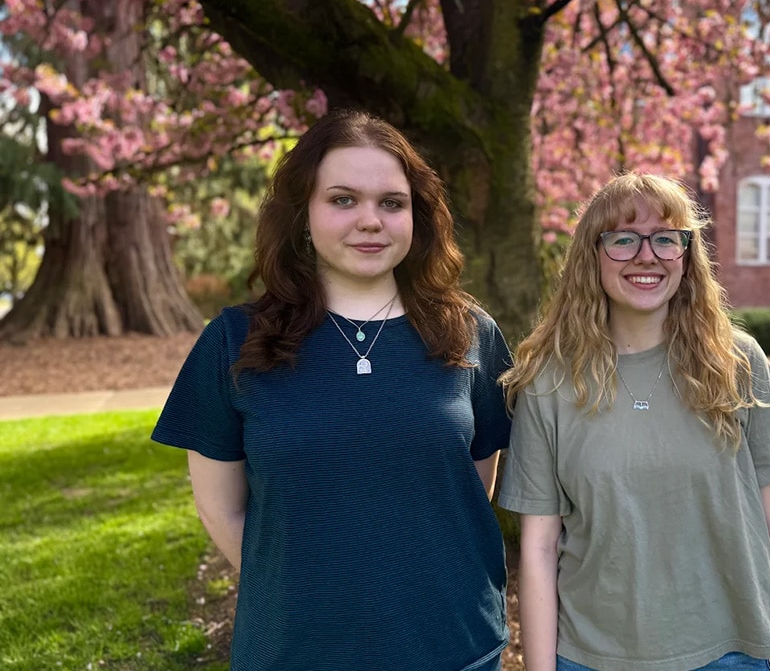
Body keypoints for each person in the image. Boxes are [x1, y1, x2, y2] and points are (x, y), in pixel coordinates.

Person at [152, 108, 513, 671]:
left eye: (392, 203)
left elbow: (473, 483)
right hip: (297, 648)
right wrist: (309, 592)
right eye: (342, 199)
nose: (370, 220)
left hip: (453, 643)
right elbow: (221, 509)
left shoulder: (469, 334)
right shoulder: (234, 341)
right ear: (303, 213)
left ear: (417, 216)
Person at [498, 172, 770, 671]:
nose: (648, 256)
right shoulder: (548, 382)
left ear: (687, 256)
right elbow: (538, 548)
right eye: (624, 239)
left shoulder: (737, 364)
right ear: (591, 256)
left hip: (730, 652)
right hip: (590, 657)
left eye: (666, 239)